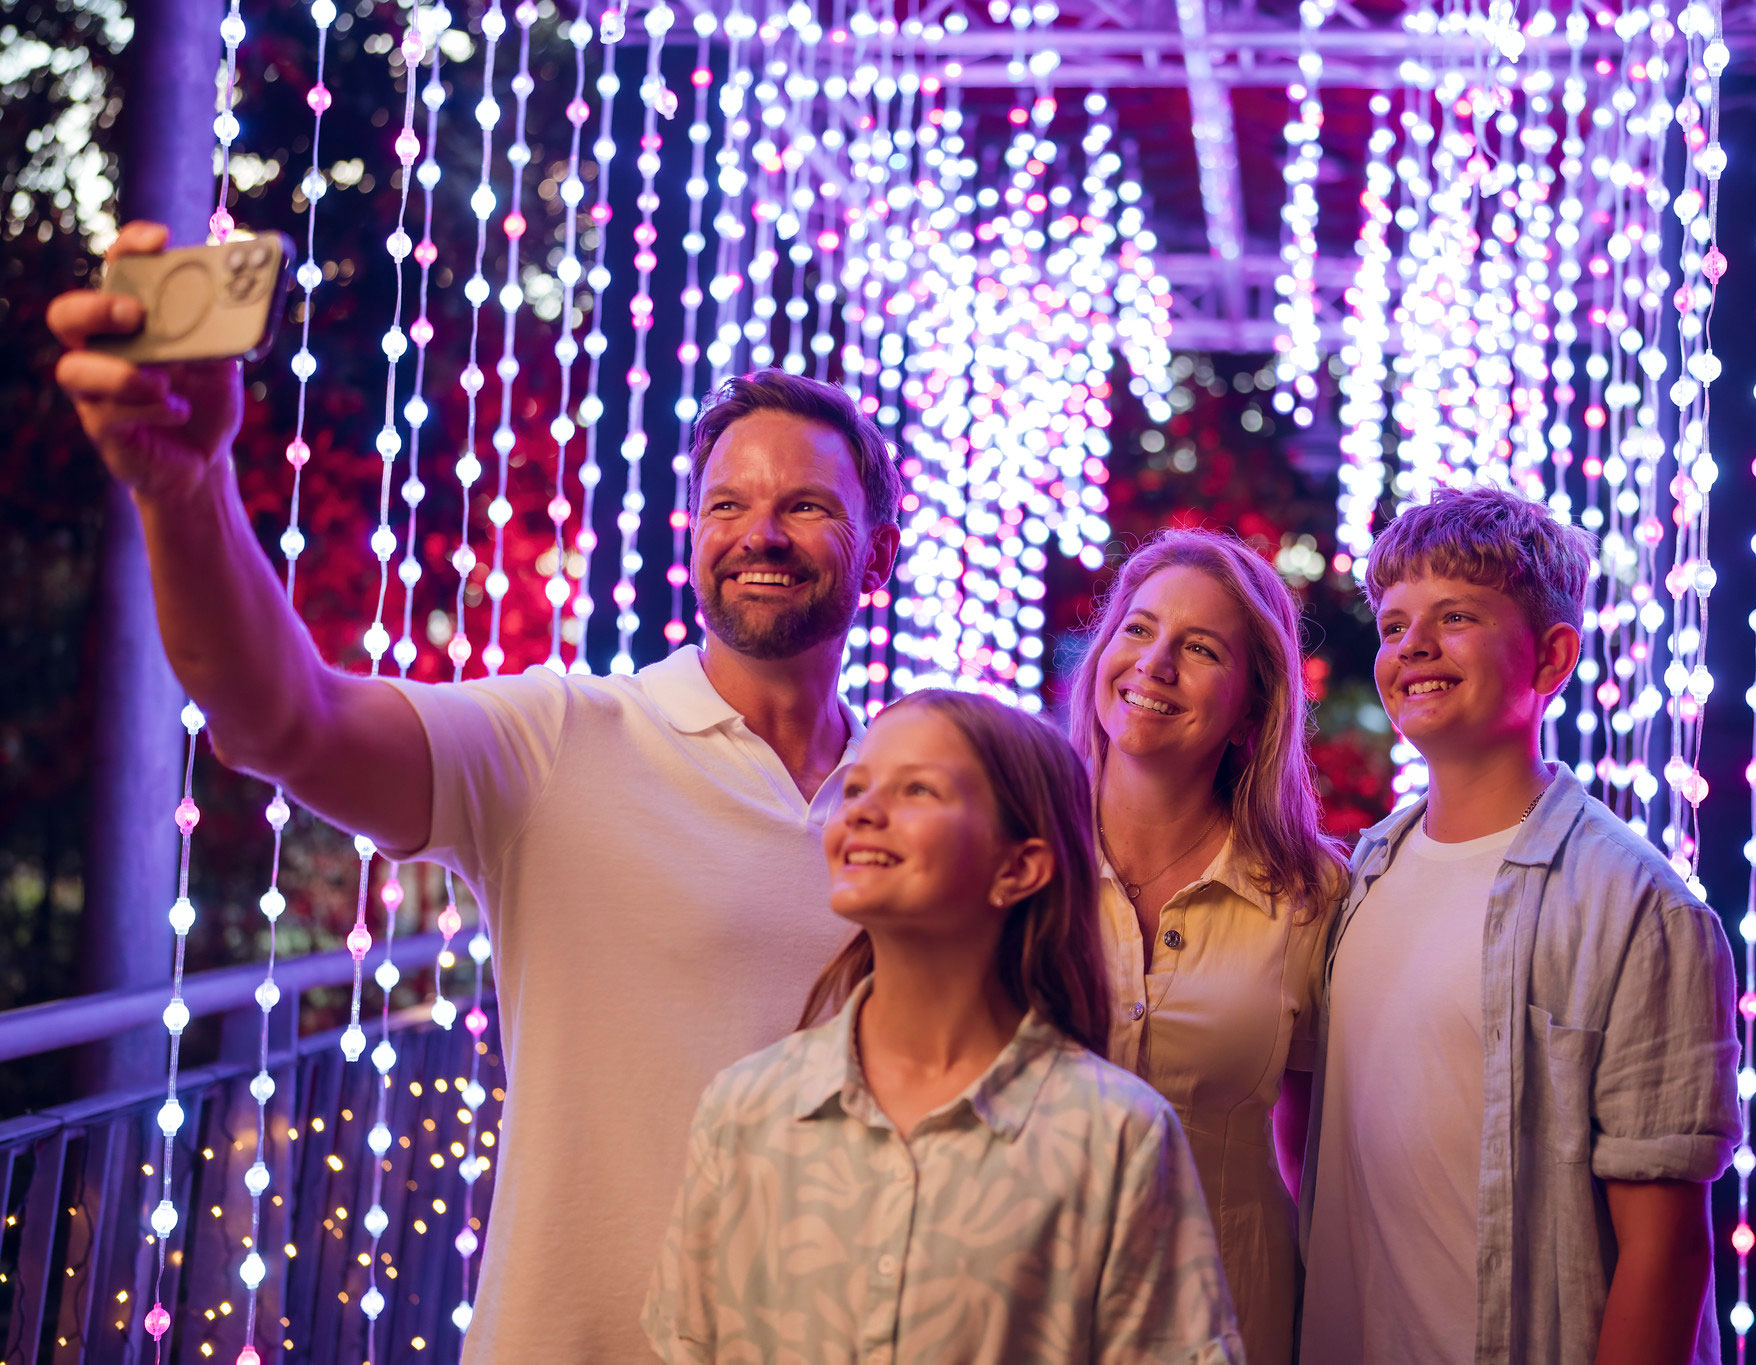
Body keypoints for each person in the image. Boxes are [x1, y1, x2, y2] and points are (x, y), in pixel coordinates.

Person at [49, 223, 903, 1358]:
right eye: (726, 505)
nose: (760, 533)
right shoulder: (566, 737)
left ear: (877, 554)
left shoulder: (911, 792)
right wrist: (185, 487)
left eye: (808, 506)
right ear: (690, 540)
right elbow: (282, 718)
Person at [643, 689, 1247, 1364]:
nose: (863, 810)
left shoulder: (1117, 1138)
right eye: (858, 786)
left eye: (919, 790)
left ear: (1018, 866)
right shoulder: (745, 1110)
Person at [1299, 486, 1741, 1364]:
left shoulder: (1636, 905)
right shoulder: (1357, 880)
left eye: (1455, 615)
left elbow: (1666, 1248)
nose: (1412, 646)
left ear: (1550, 658)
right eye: (1393, 625)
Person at [1070, 528, 1348, 1365]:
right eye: (1138, 629)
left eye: (1198, 648)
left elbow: (1322, 1159)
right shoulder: (1014, 855)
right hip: (1027, 1312)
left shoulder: (1311, 896)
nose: (1154, 665)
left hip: (1226, 1322)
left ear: (1252, 711)